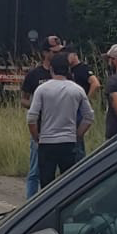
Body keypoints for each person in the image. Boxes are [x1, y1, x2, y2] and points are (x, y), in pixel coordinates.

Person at [27, 53, 94, 190]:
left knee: (46, 184)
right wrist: (78, 134)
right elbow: (89, 116)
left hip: (47, 141)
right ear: (68, 69)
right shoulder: (77, 89)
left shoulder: (42, 89)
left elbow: (32, 117)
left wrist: (36, 137)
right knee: (68, 183)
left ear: (51, 69)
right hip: (68, 141)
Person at [20, 34, 64, 199]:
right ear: (45, 53)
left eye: (60, 51)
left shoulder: (64, 73)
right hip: (40, 128)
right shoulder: (34, 74)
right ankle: (31, 203)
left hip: (61, 128)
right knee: (35, 170)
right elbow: (23, 99)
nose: (58, 54)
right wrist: (36, 107)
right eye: (55, 52)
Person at [64, 47, 101, 159]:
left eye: (67, 55)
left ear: (74, 54)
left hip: (79, 109)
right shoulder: (68, 70)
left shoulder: (83, 68)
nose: (66, 58)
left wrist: (86, 100)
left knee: (77, 143)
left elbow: (95, 84)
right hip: (69, 108)